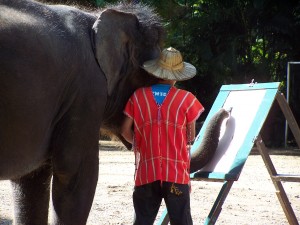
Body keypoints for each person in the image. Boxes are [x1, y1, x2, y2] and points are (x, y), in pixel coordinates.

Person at [121, 47, 204, 225]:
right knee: (182, 220)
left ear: (157, 72)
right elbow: (190, 136)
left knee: (142, 220)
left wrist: (139, 145)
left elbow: (125, 130)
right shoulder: (186, 99)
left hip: (146, 172)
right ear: (177, 75)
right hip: (175, 174)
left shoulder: (138, 96)